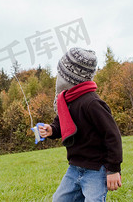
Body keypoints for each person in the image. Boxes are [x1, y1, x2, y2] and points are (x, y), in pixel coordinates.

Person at [39, 47, 123, 202]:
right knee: (59, 200)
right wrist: (52, 129)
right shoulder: (67, 99)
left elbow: (112, 135)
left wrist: (113, 170)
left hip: (96, 169)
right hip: (74, 168)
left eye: (61, 72)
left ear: (71, 76)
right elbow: (63, 122)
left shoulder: (92, 103)